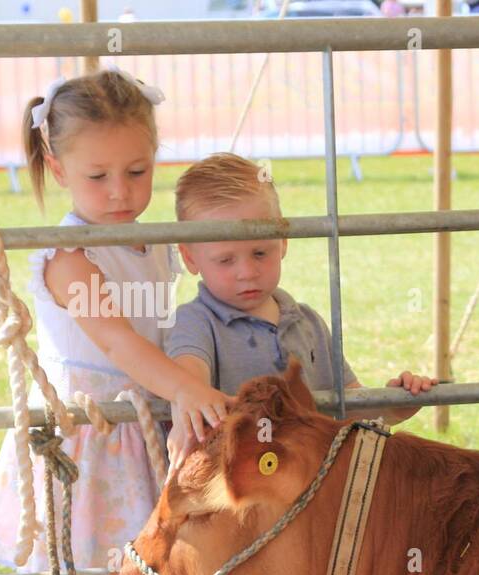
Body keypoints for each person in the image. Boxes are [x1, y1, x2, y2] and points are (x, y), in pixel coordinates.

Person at [0, 69, 233, 575]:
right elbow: (119, 344)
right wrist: (182, 386)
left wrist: (185, 380)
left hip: (141, 438)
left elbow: (163, 330)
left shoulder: (150, 245)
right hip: (90, 446)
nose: (120, 192)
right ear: (57, 166)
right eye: (98, 177)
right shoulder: (69, 256)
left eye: (137, 170)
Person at [165, 151, 436, 466]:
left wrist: (391, 406)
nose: (247, 271)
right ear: (190, 258)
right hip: (243, 488)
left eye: (260, 252)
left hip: (312, 485)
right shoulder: (196, 322)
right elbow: (189, 378)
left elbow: (349, 407)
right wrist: (191, 391)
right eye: (226, 260)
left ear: (283, 241)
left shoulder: (308, 323)